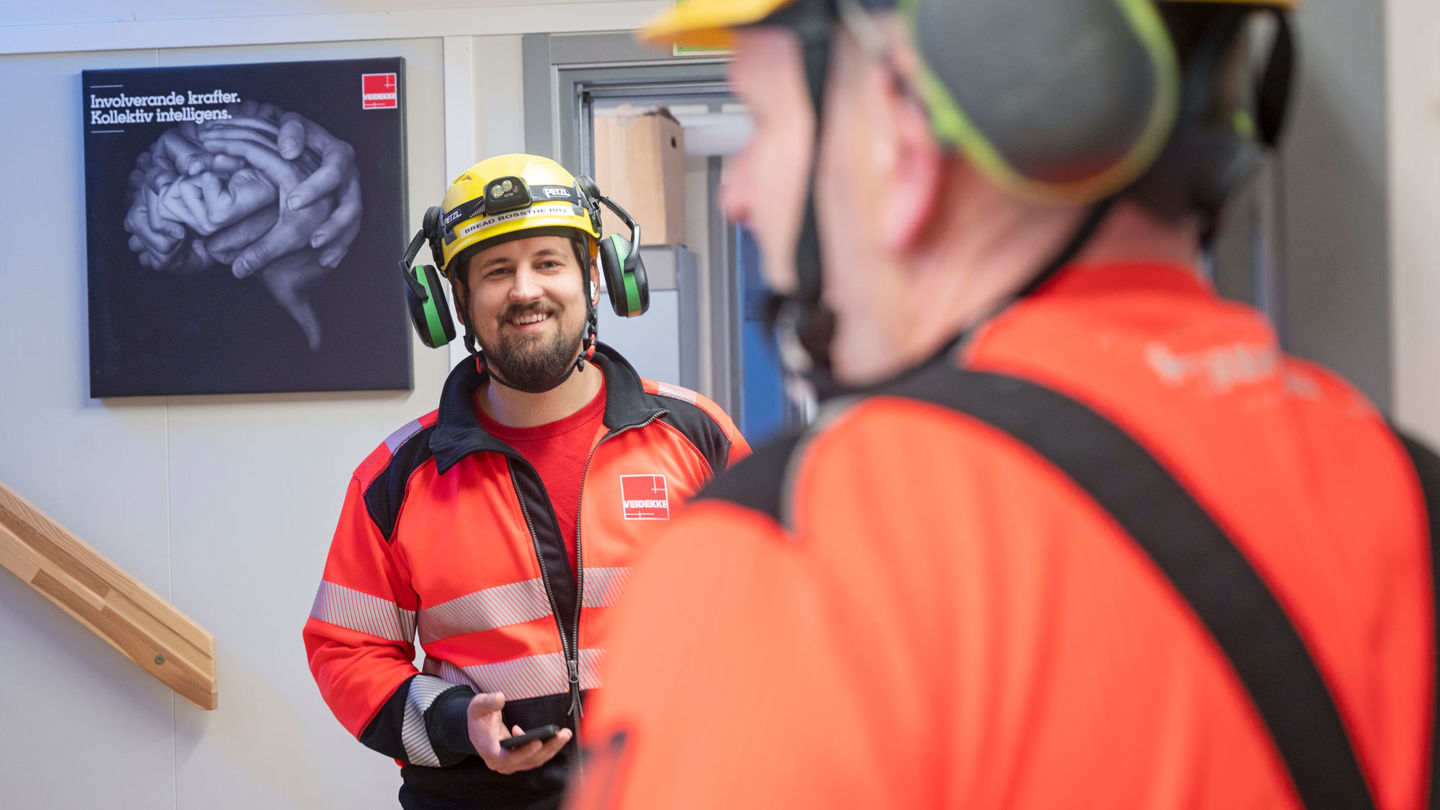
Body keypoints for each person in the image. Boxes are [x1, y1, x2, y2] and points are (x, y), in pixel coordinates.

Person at [573, 1, 1438, 808]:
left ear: (903, 128)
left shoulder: (801, 552)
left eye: (765, 121)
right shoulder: (1410, 489)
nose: (738, 193)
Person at [303, 153, 748, 810]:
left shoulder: (695, 435)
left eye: (548, 262)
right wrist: (454, 723)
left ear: (595, 278)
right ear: (454, 303)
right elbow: (346, 650)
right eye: (496, 271)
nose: (524, 290)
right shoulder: (398, 477)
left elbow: (780, 611)